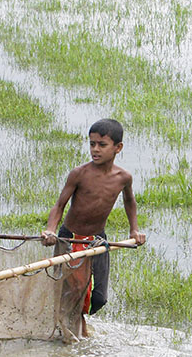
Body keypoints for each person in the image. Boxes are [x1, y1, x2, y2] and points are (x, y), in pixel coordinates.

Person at [42, 118, 146, 318]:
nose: (95, 150)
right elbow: (60, 205)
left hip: (98, 240)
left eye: (102, 145)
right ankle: (70, 332)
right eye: (92, 144)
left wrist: (134, 230)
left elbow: (130, 202)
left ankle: (77, 326)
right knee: (72, 290)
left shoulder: (123, 178)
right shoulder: (79, 174)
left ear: (118, 147)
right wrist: (50, 230)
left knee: (98, 297)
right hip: (70, 238)